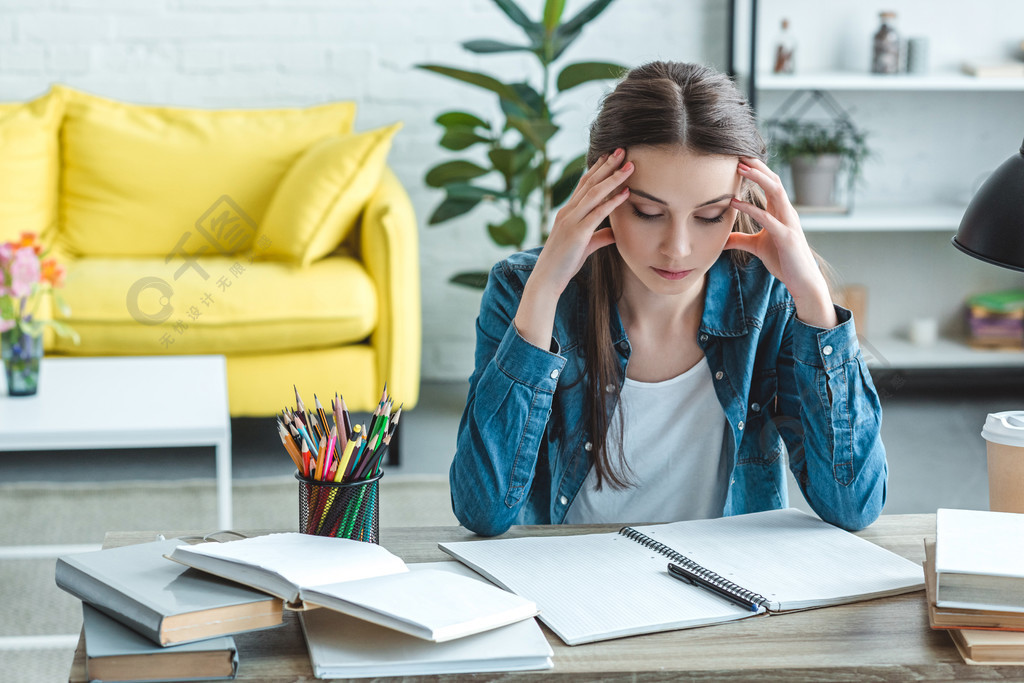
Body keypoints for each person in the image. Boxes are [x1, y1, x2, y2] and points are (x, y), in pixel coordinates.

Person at [449, 61, 887, 537]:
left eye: (710, 215)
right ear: (600, 190)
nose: (677, 248)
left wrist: (813, 301)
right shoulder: (522, 290)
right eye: (648, 211)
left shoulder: (769, 298)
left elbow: (853, 505)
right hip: (573, 586)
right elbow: (483, 512)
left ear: (742, 198)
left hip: (723, 588)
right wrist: (545, 293)